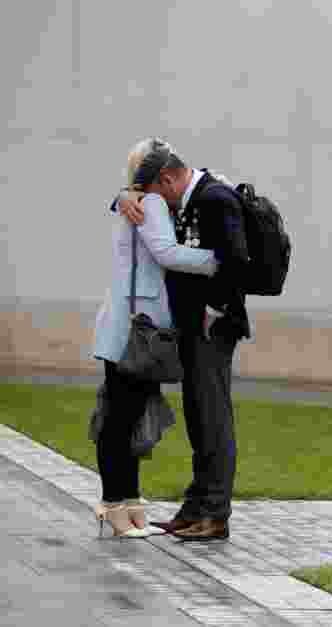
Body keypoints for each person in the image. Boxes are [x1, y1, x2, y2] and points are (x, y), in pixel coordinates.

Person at [115, 139, 250, 541]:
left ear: (169, 178)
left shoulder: (215, 198)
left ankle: (214, 515)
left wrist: (216, 308)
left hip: (213, 327)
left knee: (213, 420)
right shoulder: (194, 195)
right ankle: (195, 509)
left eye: (157, 194)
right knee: (199, 417)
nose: (158, 205)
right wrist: (125, 196)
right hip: (195, 328)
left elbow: (236, 261)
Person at [92, 138, 220, 538]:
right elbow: (167, 252)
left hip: (134, 325)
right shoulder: (150, 204)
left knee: (128, 418)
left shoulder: (137, 201)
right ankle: (114, 506)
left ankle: (129, 504)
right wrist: (223, 260)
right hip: (137, 329)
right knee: (119, 421)